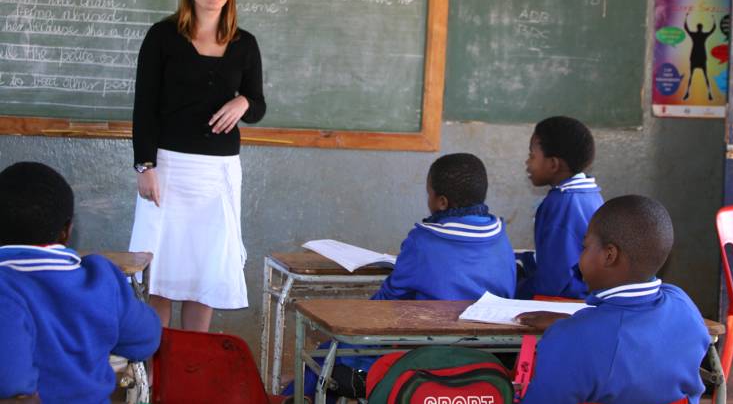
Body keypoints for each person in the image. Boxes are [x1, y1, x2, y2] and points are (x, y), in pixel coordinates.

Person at [287, 152, 517, 402]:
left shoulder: (424, 240)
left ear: (441, 202)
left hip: (426, 356)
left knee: (324, 358)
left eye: (428, 193)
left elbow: (387, 302)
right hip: (488, 358)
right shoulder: (502, 239)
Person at [130, 0, 266, 331]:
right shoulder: (162, 36)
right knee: (161, 277)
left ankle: (191, 374)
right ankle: (155, 377)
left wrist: (243, 102)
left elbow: (257, 106)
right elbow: (144, 107)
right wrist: (145, 165)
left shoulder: (245, 44)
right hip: (168, 168)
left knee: (203, 277)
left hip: (218, 174)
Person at [517, 195, 710, 404]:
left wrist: (569, 330)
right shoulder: (683, 304)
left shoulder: (571, 340)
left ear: (609, 255)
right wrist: (572, 324)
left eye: (585, 247)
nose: (579, 258)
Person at [0, 162, 162, 403]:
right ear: (67, 230)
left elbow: (11, 384)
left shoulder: (6, 288)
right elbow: (146, 337)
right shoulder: (100, 279)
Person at [515, 116, 604, 299]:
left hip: (567, 303)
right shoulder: (591, 194)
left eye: (532, 156)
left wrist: (518, 287)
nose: (527, 162)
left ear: (553, 164)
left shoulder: (561, 204)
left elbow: (554, 283)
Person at [682, 12, 716, 101]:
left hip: (695, 57)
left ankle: (688, 93)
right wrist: (713, 19)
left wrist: (686, 17)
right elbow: (713, 29)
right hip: (701, 57)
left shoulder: (694, 35)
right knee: (705, 76)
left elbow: (686, 28)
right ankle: (709, 94)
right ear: (701, 28)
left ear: (697, 28)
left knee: (691, 76)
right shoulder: (703, 35)